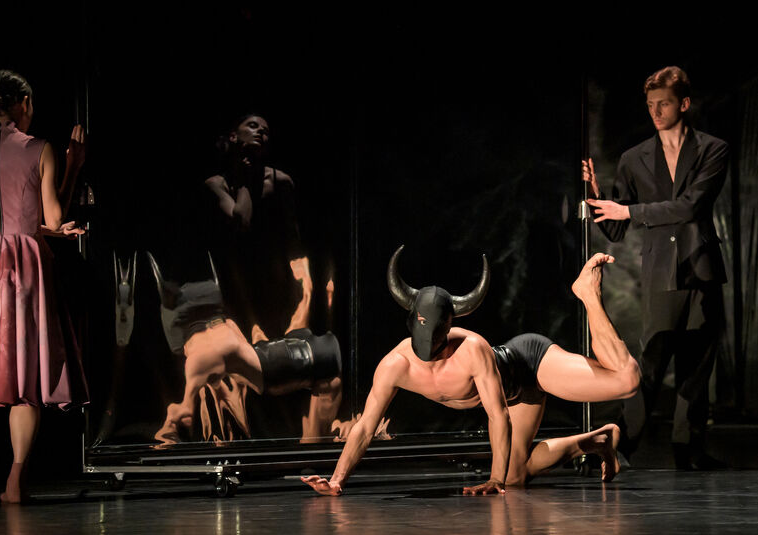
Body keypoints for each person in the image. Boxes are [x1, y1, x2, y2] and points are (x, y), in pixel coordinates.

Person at [302, 247, 639, 495]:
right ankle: (599, 439)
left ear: (447, 330)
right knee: (515, 477)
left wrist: (493, 480)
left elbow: (498, 416)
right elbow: (363, 428)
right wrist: (336, 480)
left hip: (529, 364)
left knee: (626, 380)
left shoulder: (472, 349)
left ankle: (588, 294)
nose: (428, 350)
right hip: (515, 396)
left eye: (436, 340)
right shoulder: (395, 365)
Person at [0, 70, 89, 502]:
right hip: (25, 268)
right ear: (22, 103)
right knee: (24, 375)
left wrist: (42, 229)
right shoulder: (41, 150)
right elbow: (50, 218)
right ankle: (14, 484)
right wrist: (74, 165)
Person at [583, 66, 728, 468]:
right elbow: (615, 228)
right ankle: (621, 445)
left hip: (700, 266)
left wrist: (627, 209)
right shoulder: (635, 158)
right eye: (650, 105)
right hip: (661, 270)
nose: (656, 111)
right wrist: (597, 194)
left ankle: (690, 450)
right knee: (651, 362)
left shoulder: (713, 149)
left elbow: (691, 207)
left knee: (697, 366)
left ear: (683, 103)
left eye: (663, 103)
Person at [147, 252, 342, 443]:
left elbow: (186, 414)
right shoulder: (222, 329)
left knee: (328, 379)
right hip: (286, 353)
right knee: (329, 382)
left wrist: (172, 420)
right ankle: (313, 449)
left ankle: (312, 452)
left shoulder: (198, 360)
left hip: (292, 360)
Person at [204, 114, 313, 340]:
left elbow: (294, 239)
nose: (261, 132)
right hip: (232, 284)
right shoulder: (216, 184)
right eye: (253, 126)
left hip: (273, 284)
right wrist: (244, 182)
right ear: (233, 136)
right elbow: (240, 221)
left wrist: (298, 282)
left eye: (265, 130)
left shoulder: (280, 182)